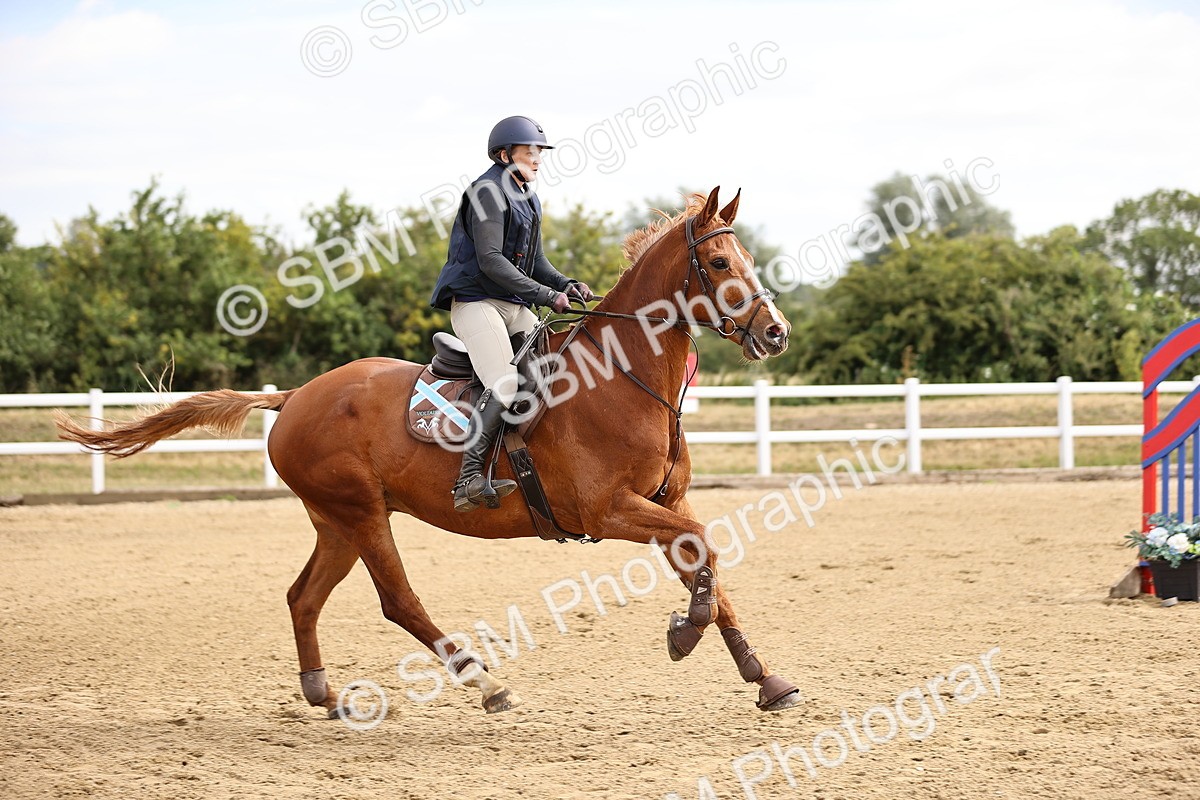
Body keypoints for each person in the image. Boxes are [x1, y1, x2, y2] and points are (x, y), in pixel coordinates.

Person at [431, 115, 593, 512]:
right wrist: (545, 294)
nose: (538, 159)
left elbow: (536, 260)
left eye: (539, 152)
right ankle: (468, 479)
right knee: (504, 385)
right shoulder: (487, 192)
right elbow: (490, 261)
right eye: (529, 152)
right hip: (476, 304)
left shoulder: (528, 196)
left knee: (558, 367)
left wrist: (565, 283)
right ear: (505, 155)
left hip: (513, 305)